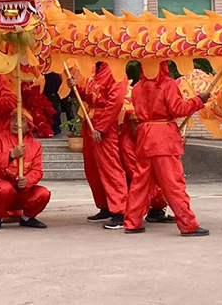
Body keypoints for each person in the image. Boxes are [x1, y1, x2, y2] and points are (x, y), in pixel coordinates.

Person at [124, 62, 210, 237]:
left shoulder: (137, 87)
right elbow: (179, 109)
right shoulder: (167, 84)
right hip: (163, 139)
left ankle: (132, 222)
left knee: (140, 184)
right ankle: (188, 224)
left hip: (145, 138)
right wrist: (199, 100)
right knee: (173, 184)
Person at [69, 62, 129, 229]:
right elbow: (91, 97)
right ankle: (105, 206)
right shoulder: (95, 70)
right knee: (93, 169)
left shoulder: (116, 71)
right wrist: (77, 90)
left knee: (110, 168)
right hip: (91, 122)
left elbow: (115, 101)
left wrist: (102, 127)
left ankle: (120, 210)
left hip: (104, 126)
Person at [0, 109, 51, 231]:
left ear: (28, 126)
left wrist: (27, 180)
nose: (16, 123)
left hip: (23, 191)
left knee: (43, 193)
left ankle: (27, 218)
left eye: (21, 120)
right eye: (13, 119)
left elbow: (37, 170)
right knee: (4, 189)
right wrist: (11, 155)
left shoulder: (35, 145)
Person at [119, 111, 172, 224]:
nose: (139, 128)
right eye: (136, 124)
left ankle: (155, 211)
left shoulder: (145, 137)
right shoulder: (126, 145)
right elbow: (136, 175)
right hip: (137, 183)